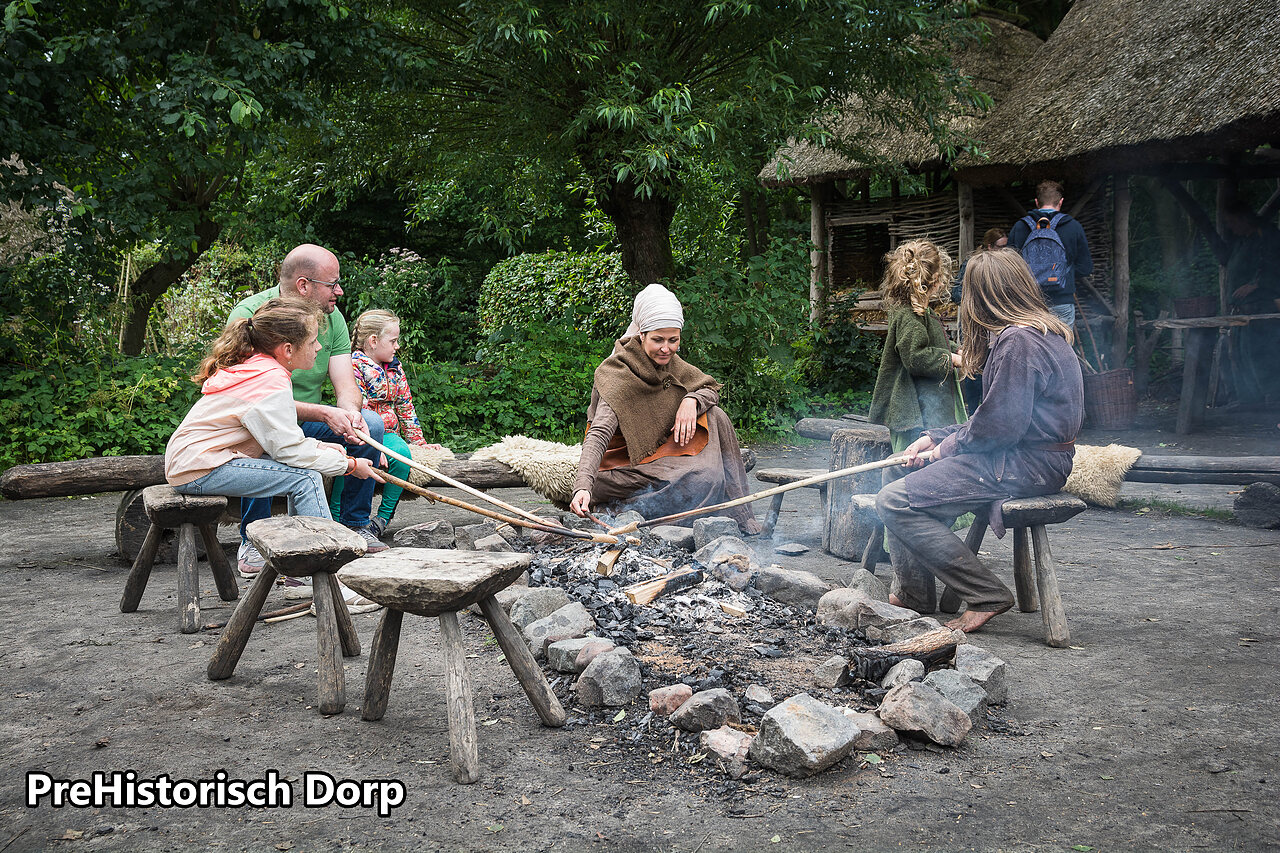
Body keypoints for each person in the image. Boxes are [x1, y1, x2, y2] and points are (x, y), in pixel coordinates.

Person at [875, 249, 1083, 634]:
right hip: (1024, 458)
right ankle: (915, 594)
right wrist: (933, 437)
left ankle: (986, 594)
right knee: (898, 477)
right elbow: (996, 417)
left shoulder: (1019, 342)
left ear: (982, 296)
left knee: (893, 500)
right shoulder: (1041, 332)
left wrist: (944, 450)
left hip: (1024, 464)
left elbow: (999, 429)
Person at [164, 297, 384, 612]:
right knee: (306, 479)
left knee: (304, 473)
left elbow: (280, 439)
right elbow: (289, 451)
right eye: (313, 341)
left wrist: (320, 447)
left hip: (199, 461)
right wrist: (348, 465)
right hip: (200, 467)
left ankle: (301, 578)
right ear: (288, 349)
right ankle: (334, 583)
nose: (319, 347)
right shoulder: (269, 378)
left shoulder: (261, 369)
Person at [226, 244, 387, 578]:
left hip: (305, 423)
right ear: (304, 285)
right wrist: (324, 413)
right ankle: (253, 539)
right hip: (257, 423)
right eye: (333, 284)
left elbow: (346, 385)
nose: (339, 292)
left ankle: (354, 525)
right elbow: (253, 402)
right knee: (260, 439)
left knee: (370, 424)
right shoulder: (253, 314)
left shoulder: (333, 318)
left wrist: (349, 413)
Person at [569, 283, 760, 534]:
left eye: (673, 340)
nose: (666, 348)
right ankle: (622, 513)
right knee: (703, 481)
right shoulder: (617, 374)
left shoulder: (670, 363)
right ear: (641, 335)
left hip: (658, 456)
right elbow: (598, 433)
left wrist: (691, 401)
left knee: (715, 418)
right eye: (658, 340)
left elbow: (709, 388)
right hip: (620, 469)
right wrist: (583, 486)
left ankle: (736, 511)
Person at [329, 309, 444, 533]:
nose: (397, 346)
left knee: (402, 456)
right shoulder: (353, 366)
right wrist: (374, 446)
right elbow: (358, 408)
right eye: (393, 341)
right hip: (360, 433)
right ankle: (335, 518)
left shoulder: (394, 368)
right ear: (373, 341)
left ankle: (381, 520)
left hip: (389, 434)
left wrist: (419, 442)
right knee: (349, 461)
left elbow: (405, 406)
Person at [1008, 180, 1093, 328]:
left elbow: (1008, 267)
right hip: (1062, 300)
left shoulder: (1020, 227)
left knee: (1032, 342)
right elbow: (1086, 268)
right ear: (1061, 202)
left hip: (1029, 302)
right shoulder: (1073, 227)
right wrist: (1062, 273)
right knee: (1062, 342)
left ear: (1036, 202)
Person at [952, 228, 1008, 414]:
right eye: (1000, 247)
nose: (1004, 251)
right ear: (989, 246)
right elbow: (956, 294)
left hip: (995, 325)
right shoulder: (972, 264)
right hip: (974, 325)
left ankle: (988, 412)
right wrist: (979, 300)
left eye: (1006, 247)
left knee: (991, 367)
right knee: (973, 367)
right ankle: (973, 413)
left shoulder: (1003, 266)